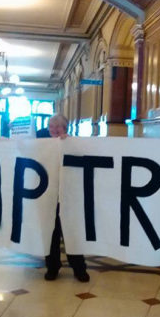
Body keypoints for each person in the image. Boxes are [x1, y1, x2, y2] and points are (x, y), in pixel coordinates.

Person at [37, 114, 90, 282]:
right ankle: (52, 267)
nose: (54, 130)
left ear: (65, 128)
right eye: (51, 127)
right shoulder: (43, 144)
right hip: (48, 195)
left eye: (57, 127)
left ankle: (79, 268)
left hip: (68, 196)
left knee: (71, 232)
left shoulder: (73, 143)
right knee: (50, 233)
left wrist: (68, 143)